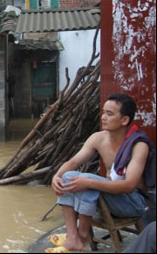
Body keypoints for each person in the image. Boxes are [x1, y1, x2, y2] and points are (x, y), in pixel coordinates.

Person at [45, 93, 156, 253]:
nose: (103, 117)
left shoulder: (138, 145)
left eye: (109, 114)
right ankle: (73, 238)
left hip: (134, 203)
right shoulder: (98, 138)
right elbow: (73, 163)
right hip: (109, 198)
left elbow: (129, 185)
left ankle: (82, 237)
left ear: (124, 120)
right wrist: (57, 176)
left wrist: (89, 182)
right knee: (68, 176)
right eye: (103, 112)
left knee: (87, 180)